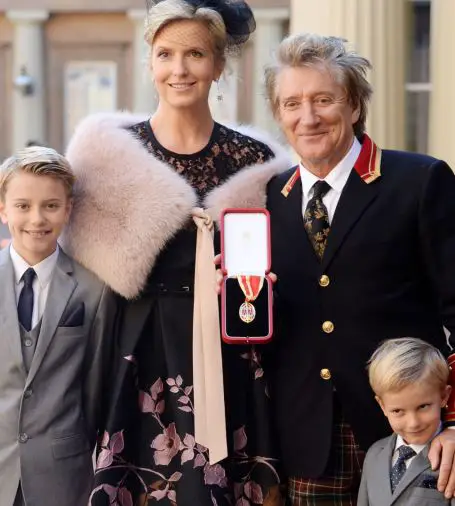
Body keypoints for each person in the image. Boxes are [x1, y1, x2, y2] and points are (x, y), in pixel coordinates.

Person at [62, 0, 290, 504]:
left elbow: (282, 266)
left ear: (218, 65)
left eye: (195, 54)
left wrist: (267, 283)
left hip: (232, 352)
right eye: (165, 54)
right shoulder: (106, 155)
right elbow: (70, 265)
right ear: (150, 61)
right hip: (135, 345)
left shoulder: (258, 163)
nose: (179, 69)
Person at [261, 33, 455, 504]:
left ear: (354, 106)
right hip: (309, 446)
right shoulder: (270, 199)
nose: (307, 117)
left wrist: (454, 423)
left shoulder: (422, 181)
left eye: (324, 99)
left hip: (415, 437)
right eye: (292, 103)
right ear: (280, 114)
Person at [0, 146, 115, 506]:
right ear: (3, 209)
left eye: (50, 205)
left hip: (62, 476)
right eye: (22, 206)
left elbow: (95, 390)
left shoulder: (93, 290)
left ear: (68, 209)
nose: (36, 218)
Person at [358, 338, 454, 506]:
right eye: (398, 411)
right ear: (382, 405)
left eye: (423, 406)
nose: (413, 423)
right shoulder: (374, 454)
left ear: (444, 396)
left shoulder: (451, 458)